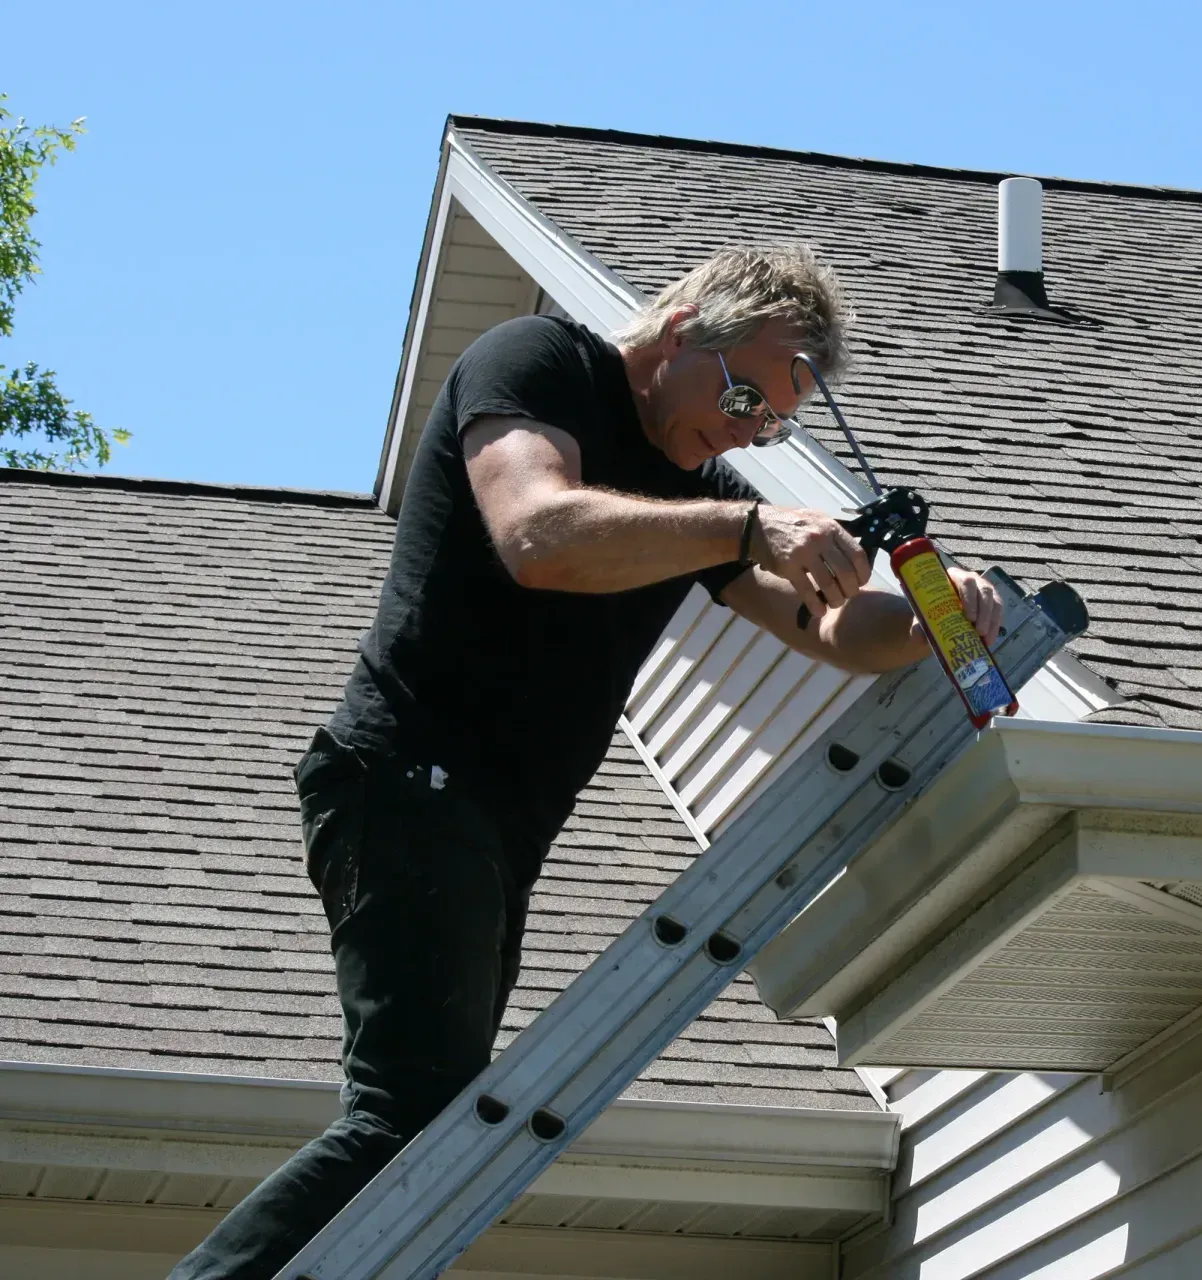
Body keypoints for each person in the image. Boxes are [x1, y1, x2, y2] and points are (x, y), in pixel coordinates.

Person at [170, 244, 1004, 1279]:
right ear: (686, 321)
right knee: (410, 1120)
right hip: (407, 779)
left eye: (770, 422)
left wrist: (938, 611)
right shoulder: (536, 362)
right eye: (745, 392)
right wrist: (748, 526)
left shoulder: (694, 487)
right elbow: (539, 533)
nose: (746, 431)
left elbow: (830, 632)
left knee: (436, 1143)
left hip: (489, 829)